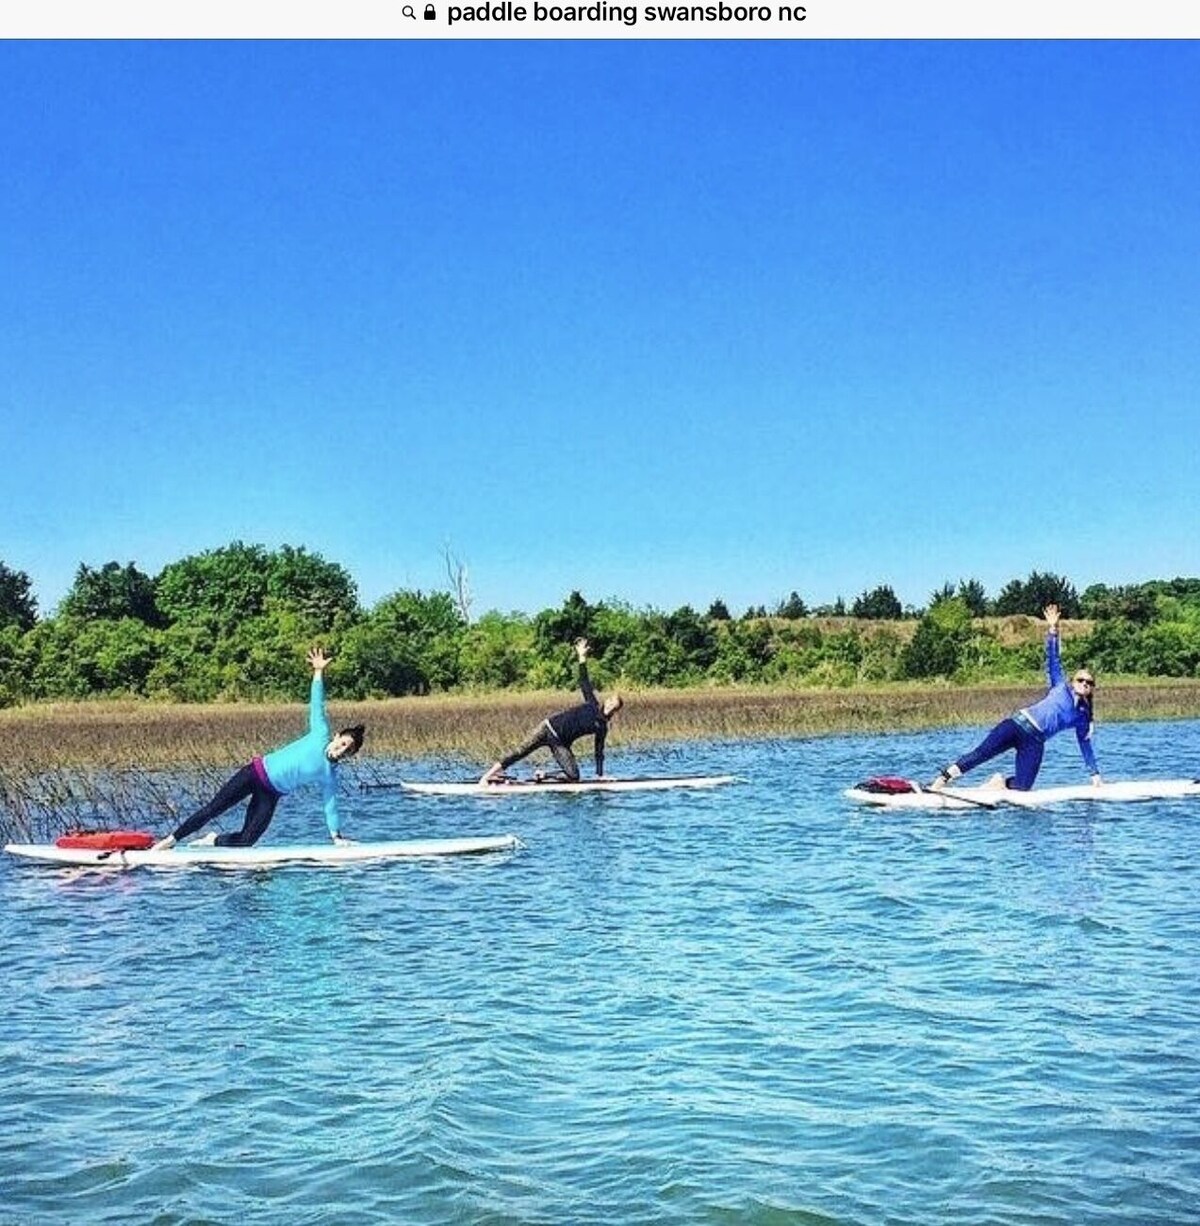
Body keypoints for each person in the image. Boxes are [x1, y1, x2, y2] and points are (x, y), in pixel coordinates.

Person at [152, 648, 364, 849]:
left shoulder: (329, 775)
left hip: (271, 794)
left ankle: (214, 840)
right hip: (255, 773)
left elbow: (330, 804)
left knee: (247, 840)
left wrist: (336, 836)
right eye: (343, 743)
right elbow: (317, 703)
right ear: (337, 736)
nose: (342, 750)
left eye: (348, 751)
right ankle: (169, 841)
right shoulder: (320, 733)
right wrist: (318, 671)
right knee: (213, 809)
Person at [930, 604, 1101, 793]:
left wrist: (1095, 777)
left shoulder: (1083, 717)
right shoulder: (1060, 686)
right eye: (1081, 679)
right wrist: (1053, 628)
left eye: (1089, 682)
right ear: (1073, 681)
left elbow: (1085, 745)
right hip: (1016, 726)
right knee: (981, 754)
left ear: (1092, 688)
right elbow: (1053, 658)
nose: (1084, 683)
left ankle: (1000, 783)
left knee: (1023, 787)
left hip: (1035, 742)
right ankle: (942, 779)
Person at [480, 638, 622, 784]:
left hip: (561, 744)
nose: (610, 704)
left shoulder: (602, 727)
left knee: (574, 776)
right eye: (610, 701)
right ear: (607, 701)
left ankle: (543, 776)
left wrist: (600, 775)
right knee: (520, 752)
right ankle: (487, 776)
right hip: (548, 728)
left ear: (615, 710)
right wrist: (581, 656)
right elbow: (584, 681)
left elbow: (599, 752)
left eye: (614, 705)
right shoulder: (592, 704)